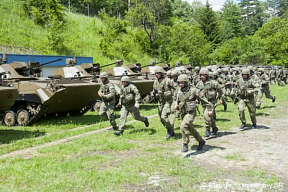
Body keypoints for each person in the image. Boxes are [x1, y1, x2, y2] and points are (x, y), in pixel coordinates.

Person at [174, 74, 213, 152]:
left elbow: (204, 99)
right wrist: (176, 105)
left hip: (191, 112)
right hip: (183, 112)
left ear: (186, 83)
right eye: (179, 83)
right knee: (190, 128)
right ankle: (201, 141)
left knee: (183, 126)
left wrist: (209, 109)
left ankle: (185, 144)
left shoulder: (193, 90)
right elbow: (176, 99)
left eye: (182, 83)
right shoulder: (179, 90)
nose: (180, 84)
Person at [196, 68, 223, 137]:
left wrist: (220, 98)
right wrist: (196, 99)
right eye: (201, 75)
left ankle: (207, 130)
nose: (202, 76)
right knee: (210, 116)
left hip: (211, 102)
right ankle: (214, 128)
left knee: (206, 116)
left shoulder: (213, 83)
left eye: (204, 75)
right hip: (204, 102)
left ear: (207, 75)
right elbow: (197, 92)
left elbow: (220, 91)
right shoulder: (199, 83)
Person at [152, 66, 176, 139]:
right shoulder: (156, 82)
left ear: (161, 73)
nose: (156, 75)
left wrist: (175, 97)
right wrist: (153, 93)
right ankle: (171, 130)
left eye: (158, 73)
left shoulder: (168, 80)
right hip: (160, 102)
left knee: (164, 116)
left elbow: (176, 88)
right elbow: (154, 89)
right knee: (161, 119)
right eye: (155, 73)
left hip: (168, 101)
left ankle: (169, 130)